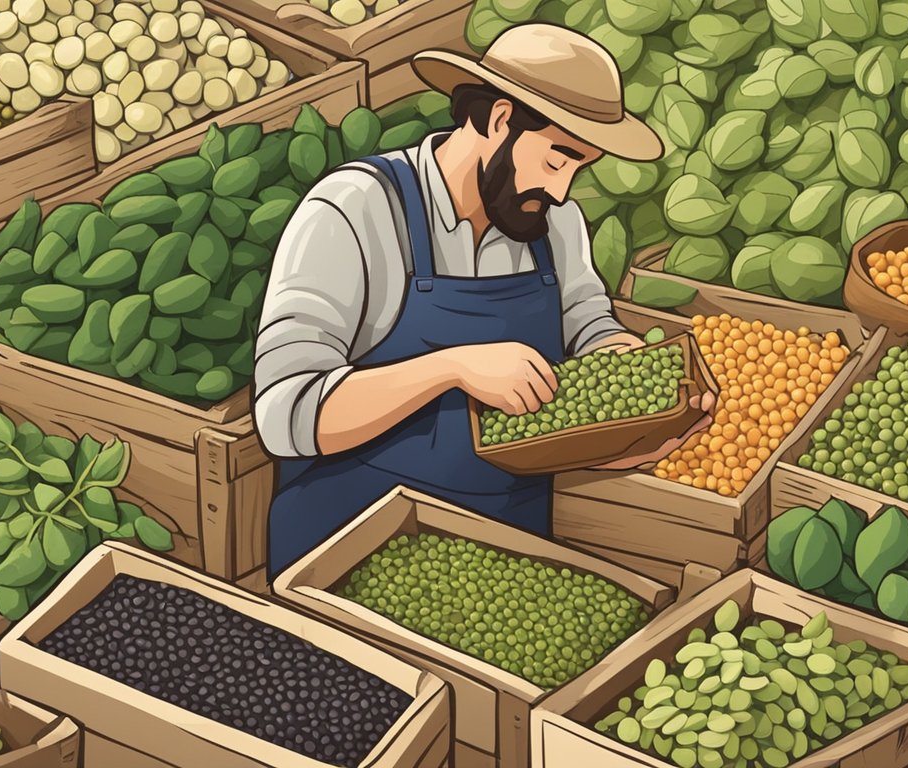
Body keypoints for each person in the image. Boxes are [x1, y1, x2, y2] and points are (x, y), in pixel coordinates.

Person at [253, 24, 716, 578]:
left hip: (506, 551)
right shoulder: (354, 209)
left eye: (577, 168)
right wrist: (453, 368)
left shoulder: (554, 221)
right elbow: (285, 413)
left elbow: (588, 323)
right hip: (349, 551)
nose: (563, 190)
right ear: (498, 120)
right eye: (555, 160)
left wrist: (626, 386)